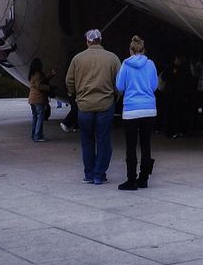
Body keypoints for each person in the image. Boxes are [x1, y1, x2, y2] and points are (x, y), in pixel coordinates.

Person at [65, 29, 121, 184]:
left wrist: (74, 95)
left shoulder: (77, 59)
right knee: (104, 140)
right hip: (105, 104)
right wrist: (116, 96)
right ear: (100, 40)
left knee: (87, 141)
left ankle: (89, 174)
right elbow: (120, 82)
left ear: (87, 41)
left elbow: (69, 81)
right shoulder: (112, 58)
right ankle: (99, 174)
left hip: (84, 106)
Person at [116, 35, 158, 190]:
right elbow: (154, 86)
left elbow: (120, 87)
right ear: (143, 49)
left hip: (131, 110)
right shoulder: (151, 64)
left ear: (130, 50)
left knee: (131, 146)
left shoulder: (125, 65)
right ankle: (144, 178)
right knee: (146, 145)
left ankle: (131, 180)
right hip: (148, 109)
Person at [27, 58, 55, 142]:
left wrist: (51, 76)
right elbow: (39, 85)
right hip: (38, 99)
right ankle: (38, 136)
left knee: (35, 117)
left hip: (32, 99)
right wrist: (50, 88)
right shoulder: (38, 74)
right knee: (40, 118)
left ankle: (34, 135)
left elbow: (42, 81)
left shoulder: (32, 74)